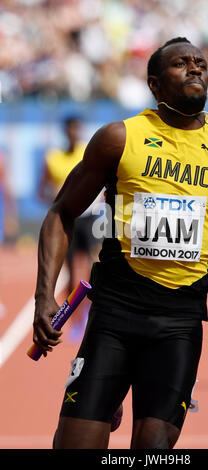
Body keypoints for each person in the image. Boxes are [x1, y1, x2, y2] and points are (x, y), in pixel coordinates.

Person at [32, 37, 208, 449]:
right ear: (154, 85)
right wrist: (44, 296)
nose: (195, 69)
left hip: (180, 324)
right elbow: (61, 212)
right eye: (181, 64)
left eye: (201, 63)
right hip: (115, 314)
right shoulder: (120, 138)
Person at [38, 116, 101, 339]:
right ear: (65, 131)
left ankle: (91, 317)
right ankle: (76, 322)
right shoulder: (53, 158)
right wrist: (57, 203)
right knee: (73, 276)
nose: (74, 132)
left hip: (92, 219)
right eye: (71, 129)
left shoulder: (89, 152)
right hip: (69, 220)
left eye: (78, 128)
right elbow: (41, 189)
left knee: (96, 269)